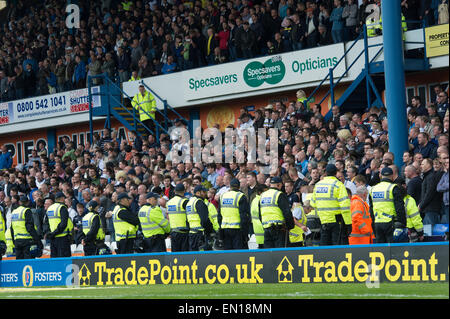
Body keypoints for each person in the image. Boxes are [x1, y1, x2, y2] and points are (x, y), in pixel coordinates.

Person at [312, 164, 351, 246]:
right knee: (337, 249)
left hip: (323, 221)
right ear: (336, 173)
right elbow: (345, 206)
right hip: (336, 222)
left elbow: (313, 203)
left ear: (325, 172)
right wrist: (348, 223)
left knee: (325, 249)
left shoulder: (318, 185)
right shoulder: (338, 185)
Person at [369, 167, 407, 243]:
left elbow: (371, 209)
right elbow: (399, 207)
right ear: (392, 176)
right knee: (392, 249)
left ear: (381, 175)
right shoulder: (393, 188)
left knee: (381, 249)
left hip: (377, 223)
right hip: (391, 223)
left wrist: (373, 223)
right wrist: (402, 223)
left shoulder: (373, 189)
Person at [259, 176, 295, 248]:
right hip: (279, 229)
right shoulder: (279, 194)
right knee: (281, 254)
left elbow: (260, 213)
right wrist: (290, 225)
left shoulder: (263, 195)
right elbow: (286, 212)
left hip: (266, 228)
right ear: (278, 185)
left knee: (269, 254)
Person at [219, 178, 250, 250]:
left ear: (230, 186)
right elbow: (244, 216)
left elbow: (219, 215)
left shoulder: (223, 196)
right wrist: (245, 233)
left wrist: (220, 230)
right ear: (239, 187)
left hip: (225, 228)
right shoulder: (241, 196)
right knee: (238, 254)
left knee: (228, 253)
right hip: (237, 229)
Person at [44, 192, 73, 258]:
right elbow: (63, 224)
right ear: (62, 199)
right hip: (62, 238)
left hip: (53, 238)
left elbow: (45, 223)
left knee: (54, 259)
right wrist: (55, 233)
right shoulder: (62, 207)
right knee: (64, 260)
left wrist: (49, 233)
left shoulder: (50, 208)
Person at [186, 185, 214, 251]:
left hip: (192, 233)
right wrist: (210, 230)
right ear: (198, 193)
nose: (205, 194)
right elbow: (204, 220)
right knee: (202, 257)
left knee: (194, 257)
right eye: (203, 192)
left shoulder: (189, 202)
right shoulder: (199, 202)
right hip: (200, 234)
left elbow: (187, 220)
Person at [166, 184, 189, 252]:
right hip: (183, 232)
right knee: (184, 255)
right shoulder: (184, 201)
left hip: (173, 232)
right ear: (184, 191)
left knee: (175, 255)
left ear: (174, 191)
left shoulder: (169, 202)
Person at [250, 184, 267, 248]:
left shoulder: (254, 200)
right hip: (264, 229)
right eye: (265, 191)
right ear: (260, 192)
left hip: (257, 230)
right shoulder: (262, 200)